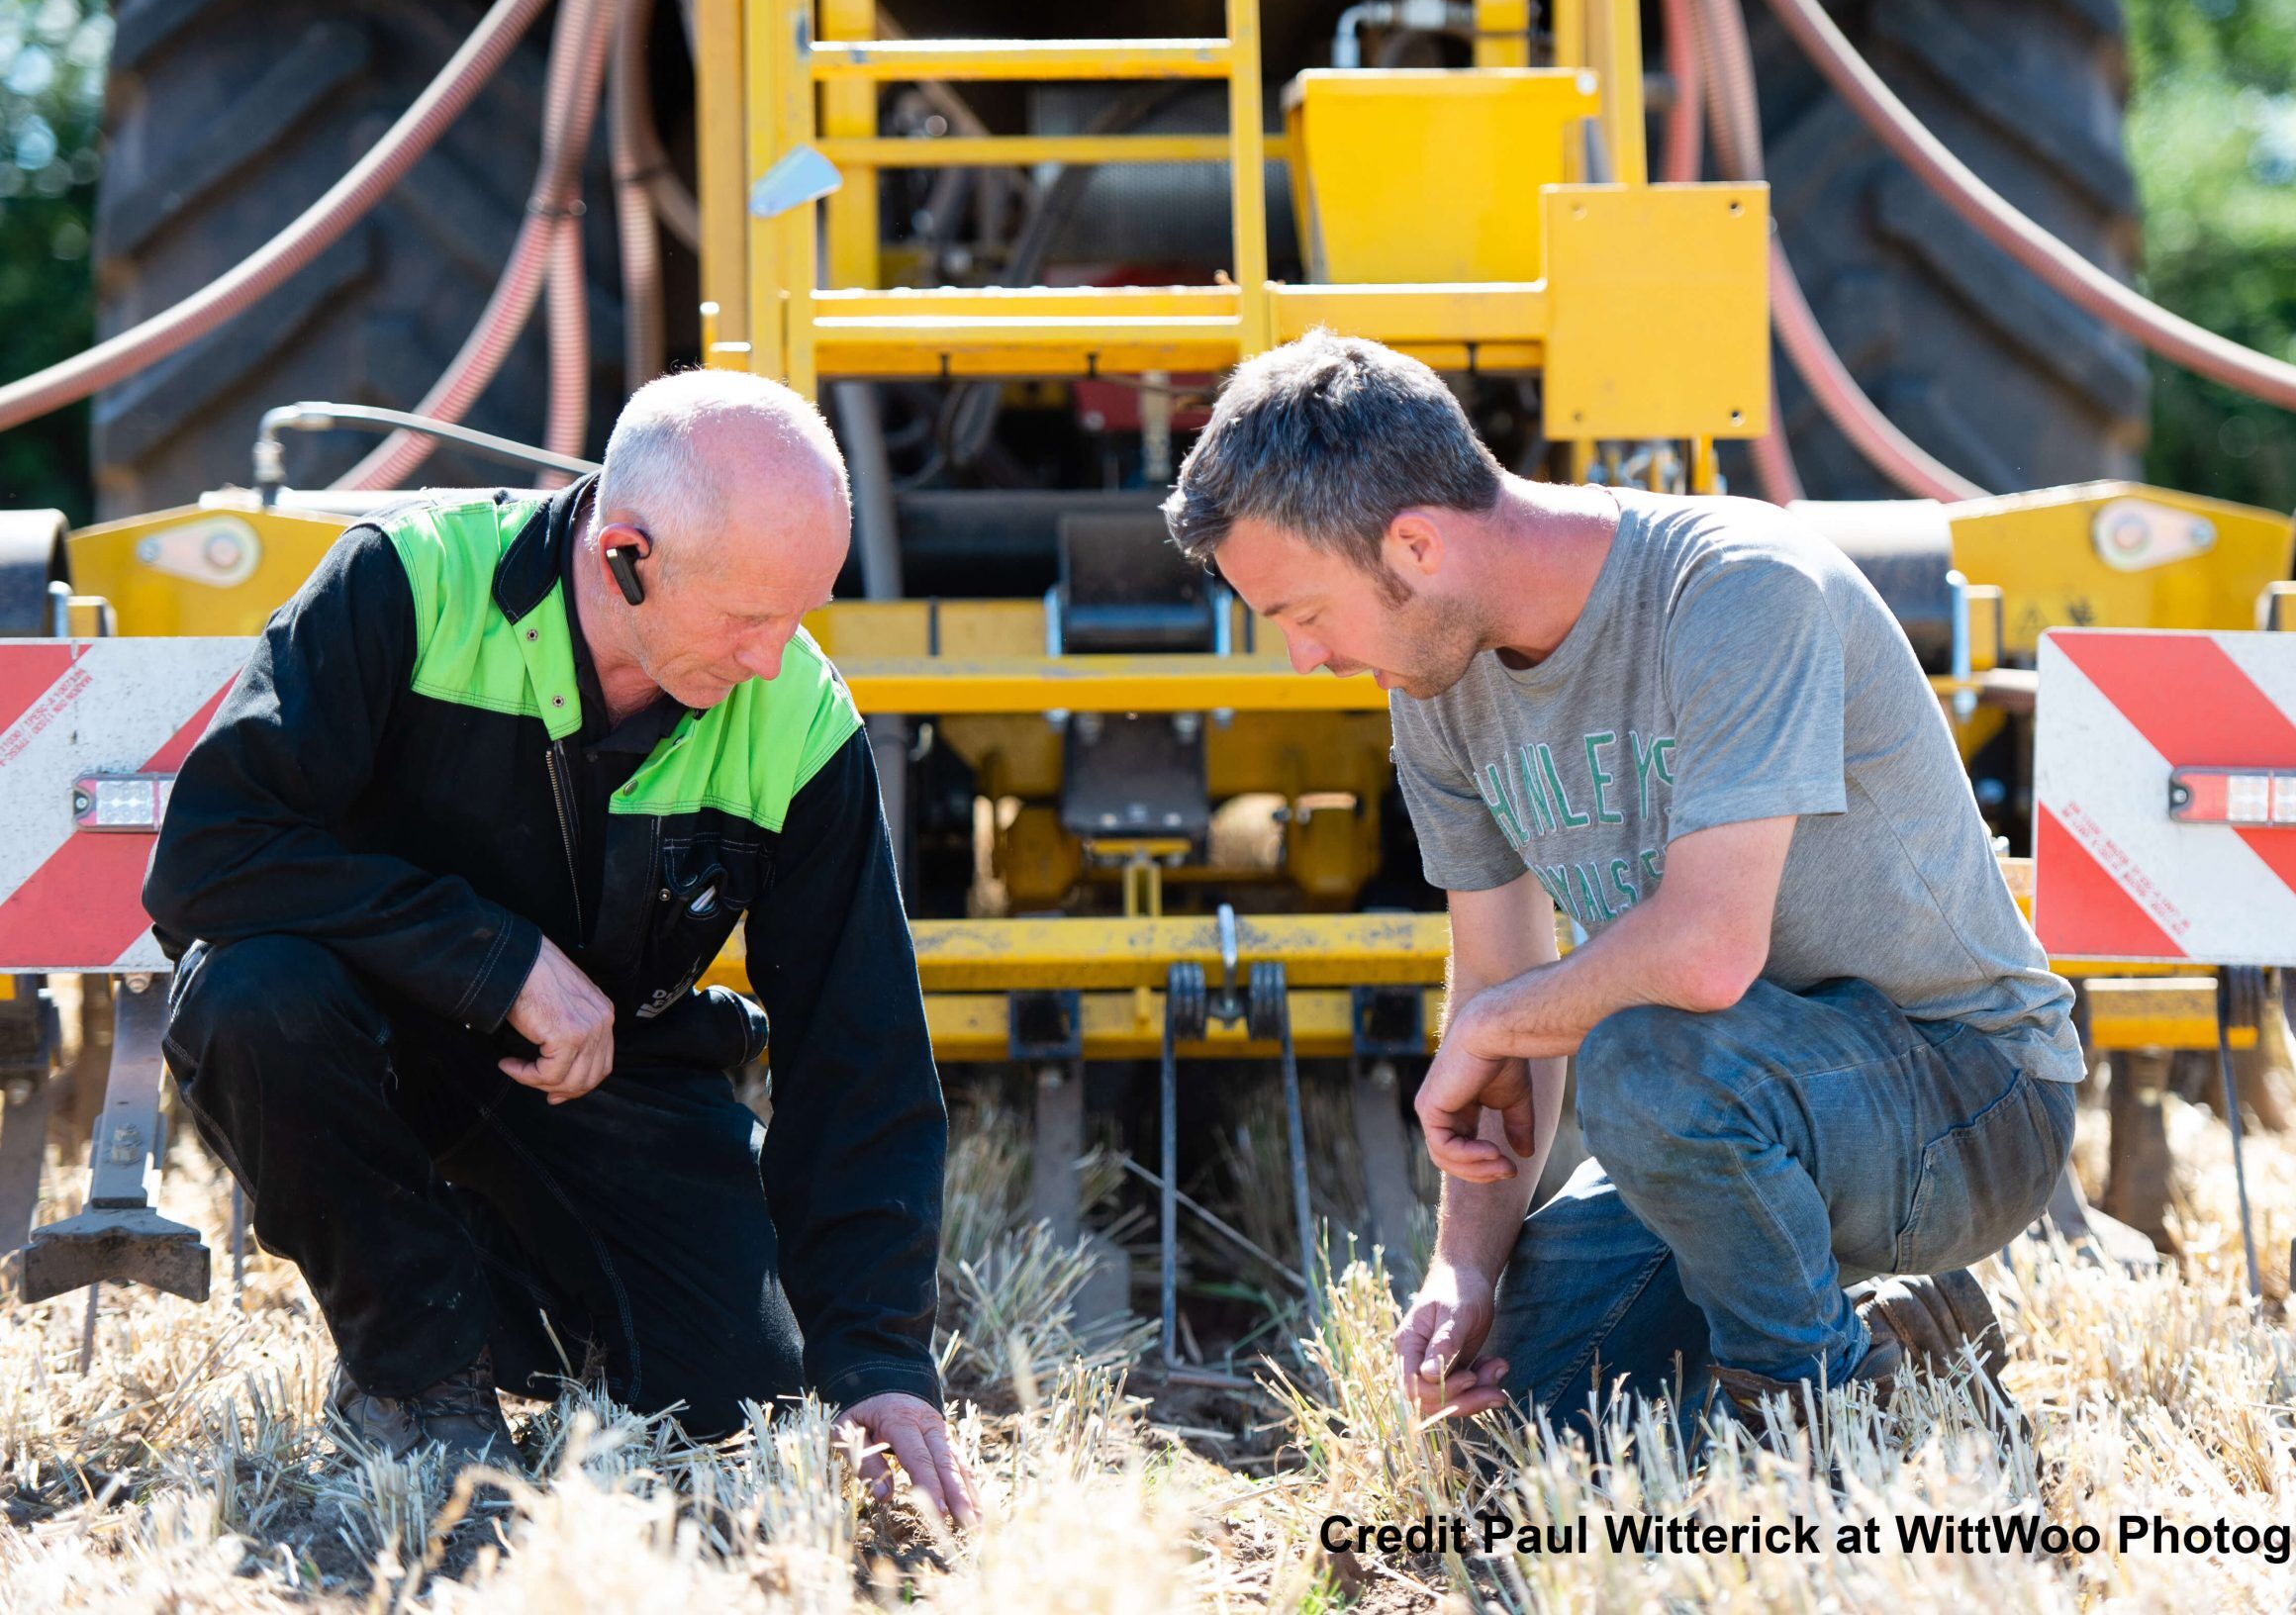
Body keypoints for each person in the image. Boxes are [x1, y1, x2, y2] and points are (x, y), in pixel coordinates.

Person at [1161, 331, 2079, 1437]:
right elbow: (1502, 983)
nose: (1306, 659)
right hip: (1734, 1098)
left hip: (1965, 1096)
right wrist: (1463, 1272)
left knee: (1639, 1056)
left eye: (1303, 616)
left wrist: (1497, 1024)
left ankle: (1817, 1416)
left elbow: (1703, 952)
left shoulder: (1737, 587)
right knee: (1527, 1404)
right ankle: (1909, 1325)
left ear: (1412, 545)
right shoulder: (1436, 686)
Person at [144, 369, 980, 1521]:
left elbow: (859, 1045)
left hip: (613, 1082)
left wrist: (877, 1365)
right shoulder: (411, 584)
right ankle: (419, 1372)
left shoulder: (798, 716)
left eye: (802, 616)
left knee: (739, 1411)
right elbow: (208, 860)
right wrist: (497, 962)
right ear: (623, 552)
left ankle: (495, 1299)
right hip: (363, 1042)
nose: (773, 660)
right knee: (253, 993)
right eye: (747, 618)